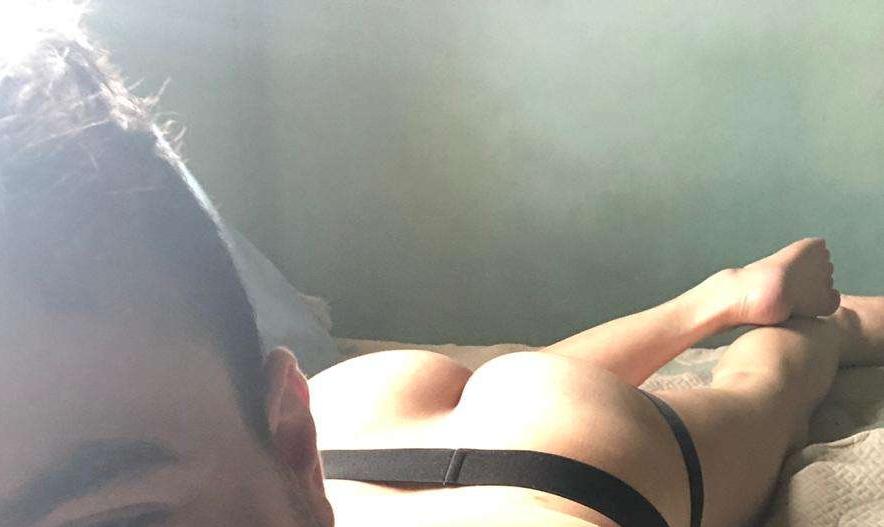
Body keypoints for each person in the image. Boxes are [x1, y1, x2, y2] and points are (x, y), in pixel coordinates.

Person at [1, 5, 882, 527]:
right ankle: (711, 301)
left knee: (769, 389)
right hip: (356, 408)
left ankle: (808, 322)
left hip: (532, 460)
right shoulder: (242, 444)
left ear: (295, 455)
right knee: (534, 392)